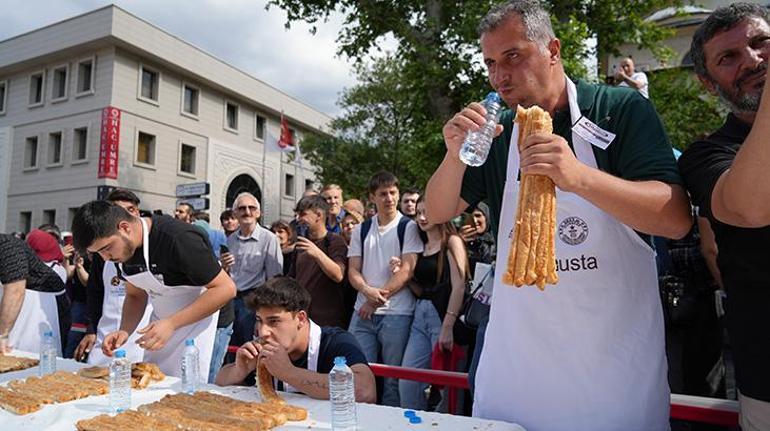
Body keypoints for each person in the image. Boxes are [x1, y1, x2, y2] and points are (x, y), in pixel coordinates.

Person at [424, 1, 691, 429]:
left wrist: (579, 177)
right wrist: (454, 154)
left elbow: (674, 218)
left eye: (513, 56)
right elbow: (438, 211)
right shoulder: (498, 133)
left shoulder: (616, 109)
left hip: (611, 378)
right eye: (490, 63)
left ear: (553, 49)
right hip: (516, 373)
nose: (499, 76)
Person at [678, 4, 770, 429]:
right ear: (708, 82)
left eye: (761, 42)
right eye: (728, 58)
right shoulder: (706, 154)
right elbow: (749, 207)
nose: (751, 60)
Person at [72, 200, 235, 380]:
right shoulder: (122, 252)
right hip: (164, 323)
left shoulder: (178, 238)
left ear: (124, 227)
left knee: (194, 388)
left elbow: (225, 289)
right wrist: (125, 330)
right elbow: (135, 295)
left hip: (205, 323)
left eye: (106, 248)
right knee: (157, 382)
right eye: (98, 253)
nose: (105, 258)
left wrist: (172, 323)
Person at [215, 277, 376, 402]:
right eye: (259, 320)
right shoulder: (258, 344)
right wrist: (239, 371)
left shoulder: (335, 342)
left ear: (300, 318)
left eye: (274, 321)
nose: (263, 332)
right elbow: (219, 381)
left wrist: (289, 373)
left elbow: (365, 391)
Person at [347, 171, 424, 406]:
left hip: (396, 313)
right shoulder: (361, 229)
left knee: (393, 379)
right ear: (372, 197)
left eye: (393, 192)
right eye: (383, 194)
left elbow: (407, 270)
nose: (389, 198)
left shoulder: (408, 227)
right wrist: (366, 291)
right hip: (362, 312)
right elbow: (353, 270)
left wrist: (373, 300)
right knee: (358, 375)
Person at [399, 197, 468, 411]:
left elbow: (459, 285)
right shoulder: (421, 245)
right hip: (420, 316)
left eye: (426, 212)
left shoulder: (452, 241)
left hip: (443, 315)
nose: (421, 217)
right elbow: (423, 290)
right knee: (408, 381)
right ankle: (412, 423)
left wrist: (447, 326)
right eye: (418, 213)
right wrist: (404, 276)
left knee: (446, 389)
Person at [74, 189, 153, 365]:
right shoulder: (103, 254)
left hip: (141, 333)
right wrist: (91, 329)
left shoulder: (151, 248)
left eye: (131, 210)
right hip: (106, 333)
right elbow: (95, 291)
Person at [220, 192, 283, 350]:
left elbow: (275, 279)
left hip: (254, 300)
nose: (247, 212)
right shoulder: (230, 240)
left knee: (252, 348)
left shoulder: (269, 239)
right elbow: (227, 275)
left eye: (251, 208)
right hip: (231, 299)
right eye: (242, 208)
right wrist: (224, 266)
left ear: (258, 213)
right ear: (235, 213)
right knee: (231, 347)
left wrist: (265, 311)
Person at [288, 196, 348, 328]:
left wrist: (316, 253)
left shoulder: (335, 241)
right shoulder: (300, 245)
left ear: (319, 215)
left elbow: (338, 275)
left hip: (328, 321)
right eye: (297, 215)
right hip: (303, 318)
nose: (298, 219)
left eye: (303, 214)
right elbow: (292, 279)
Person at [0, 233, 66, 354]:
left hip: (41, 302)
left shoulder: (7, 246)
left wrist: (2, 335)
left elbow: (15, 291)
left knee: (22, 354)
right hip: (16, 299)